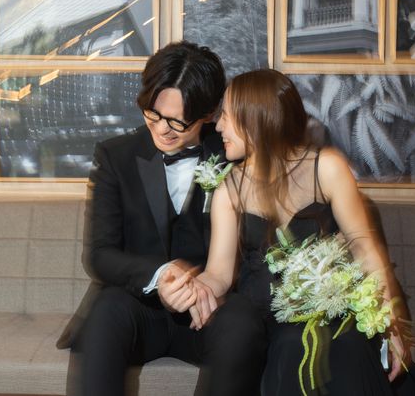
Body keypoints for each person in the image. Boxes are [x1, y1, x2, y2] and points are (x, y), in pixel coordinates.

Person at [185, 69, 415, 395]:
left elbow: (365, 248)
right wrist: (197, 288)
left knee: (343, 344)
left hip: (332, 311)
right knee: (291, 344)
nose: (218, 127)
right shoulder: (229, 188)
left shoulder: (326, 167)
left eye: (226, 116)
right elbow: (219, 273)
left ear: (256, 120)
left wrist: (390, 320)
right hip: (269, 318)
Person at [58, 42, 267, 396]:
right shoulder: (115, 156)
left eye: (178, 122)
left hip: (208, 311)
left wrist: (206, 288)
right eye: (153, 114)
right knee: (107, 310)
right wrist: (160, 276)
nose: (162, 129)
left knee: (243, 321)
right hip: (137, 311)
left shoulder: (233, 154)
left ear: (209, 114)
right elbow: (100, 255)